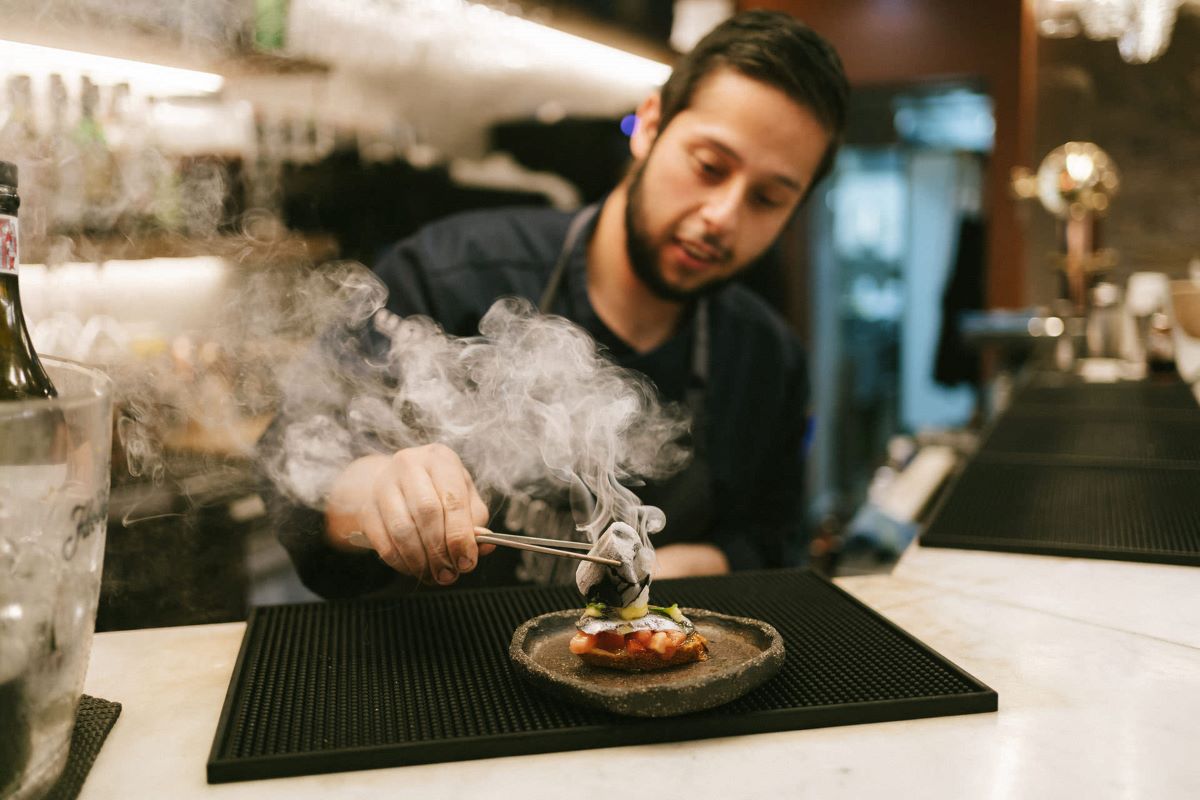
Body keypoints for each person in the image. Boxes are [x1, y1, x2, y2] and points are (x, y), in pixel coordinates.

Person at [272, 10, 849, 598]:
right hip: (435, 674)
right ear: (650, 125)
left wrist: (712, 562)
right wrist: (370, 490)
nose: (722, 217)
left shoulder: (767, 360)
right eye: (708, 167)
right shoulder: (449, 273)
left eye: (769, 198)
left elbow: (776, 539)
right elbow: (296, 464)